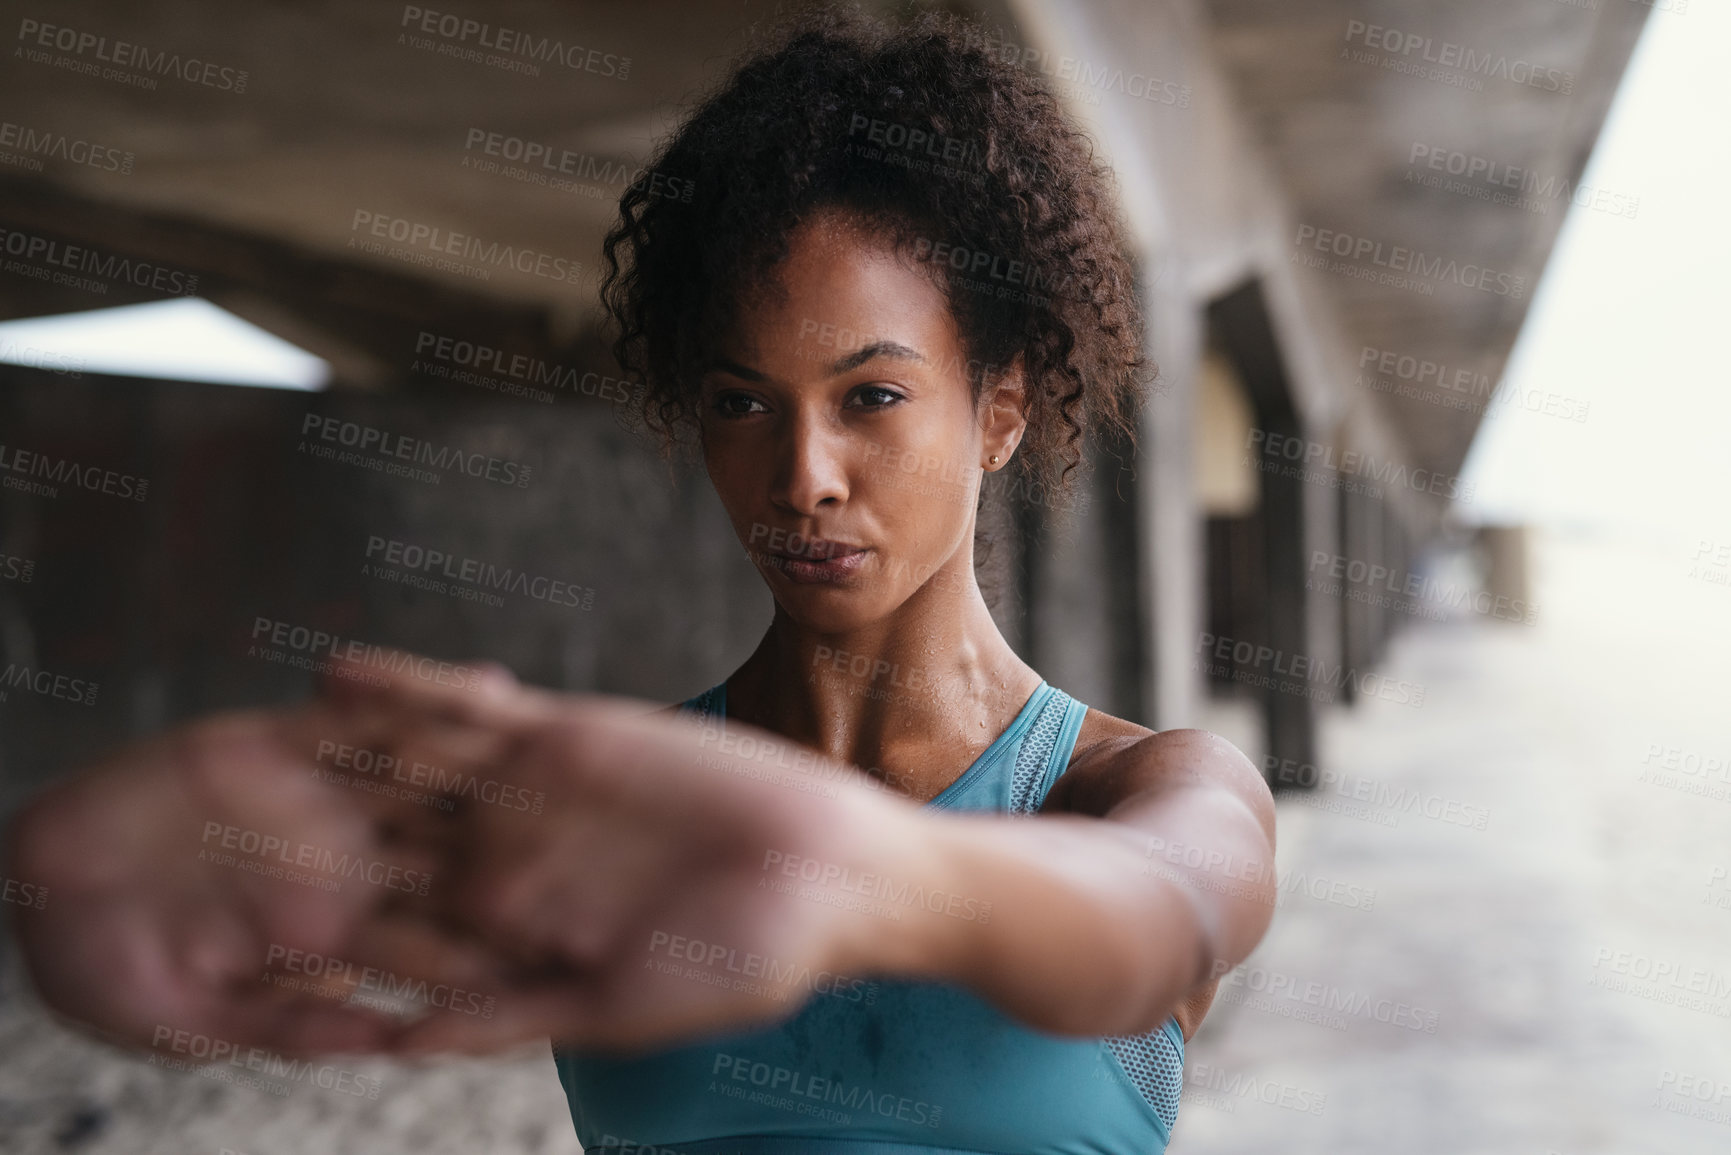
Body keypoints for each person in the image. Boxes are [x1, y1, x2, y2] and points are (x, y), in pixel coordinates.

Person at [2, 10, 1276, 1155]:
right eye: (741, 402)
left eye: (872, 398)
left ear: (998, 413)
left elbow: (1153, 928)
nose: (803, 475)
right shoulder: (602, 814)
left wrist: (852, 880)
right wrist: (145, 883)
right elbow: (273, 903)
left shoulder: (1146, 789)